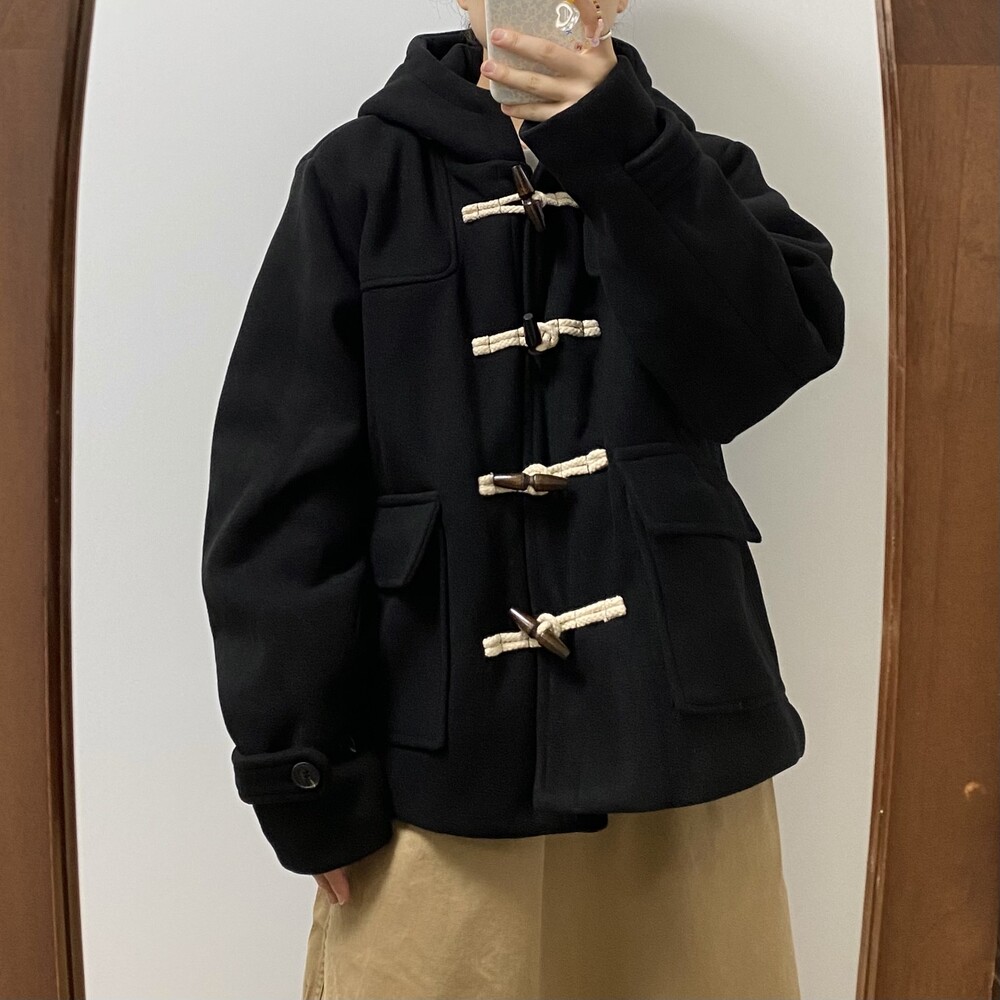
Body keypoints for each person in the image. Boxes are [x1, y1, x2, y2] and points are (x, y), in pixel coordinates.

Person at [200, 0, 846, 996]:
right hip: (435, 752)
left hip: (679, 747)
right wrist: (302, 767)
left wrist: (624, 147)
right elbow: (283, 487)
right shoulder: (356, 179)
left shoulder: (697, 169)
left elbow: (760, 368)